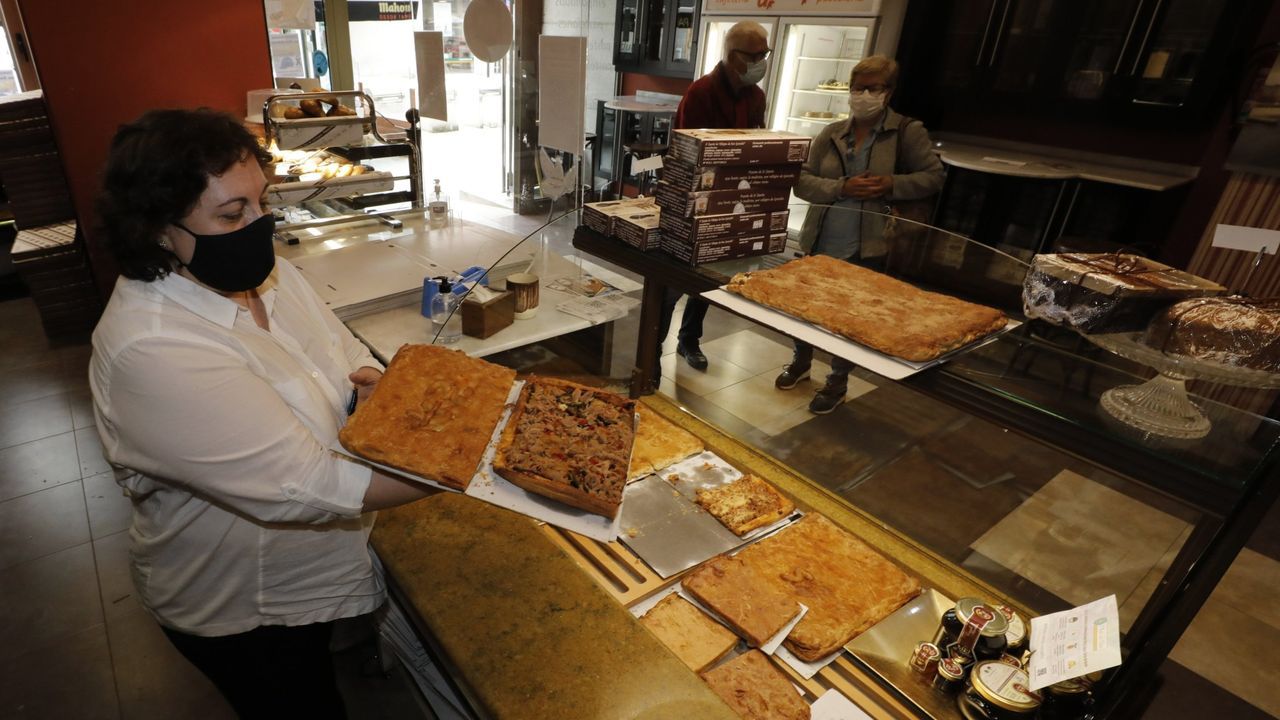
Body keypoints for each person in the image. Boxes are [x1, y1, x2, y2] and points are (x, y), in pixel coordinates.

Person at [90, 108, 432, 719]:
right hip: (242, 601)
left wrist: (375, 392)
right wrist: (466, 466)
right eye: (230, 214)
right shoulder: (155, 347)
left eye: (260, 203)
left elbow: (349, 355)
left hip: (308, 570)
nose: (258, 226)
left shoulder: (270, 276)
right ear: (156, 230)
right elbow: (311, 488)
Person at [779, 55, 945, 414]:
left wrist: (890, 184)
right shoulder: (831, 132)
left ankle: (837, 382)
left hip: (869, 244)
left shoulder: (906, 132)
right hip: (820, 239)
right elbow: (802, 182)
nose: (863, 95)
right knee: (804, 310)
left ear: (889, 92)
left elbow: (934, 177)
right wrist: (841, 186)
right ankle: (800, 361)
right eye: (858, 88)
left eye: (873, 88)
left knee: (848, 319)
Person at [658, 20, 771, 372]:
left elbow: (757, 142)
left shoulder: (756, 96)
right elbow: (690, 152)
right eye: (752, 55)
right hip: (695, 200)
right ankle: (653, 349)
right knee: (672, 281)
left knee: (709, 277)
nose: (759, 61)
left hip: (734, 199)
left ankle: (689, 339)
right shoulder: (701, 92)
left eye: (763, 54)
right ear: (730, 55)